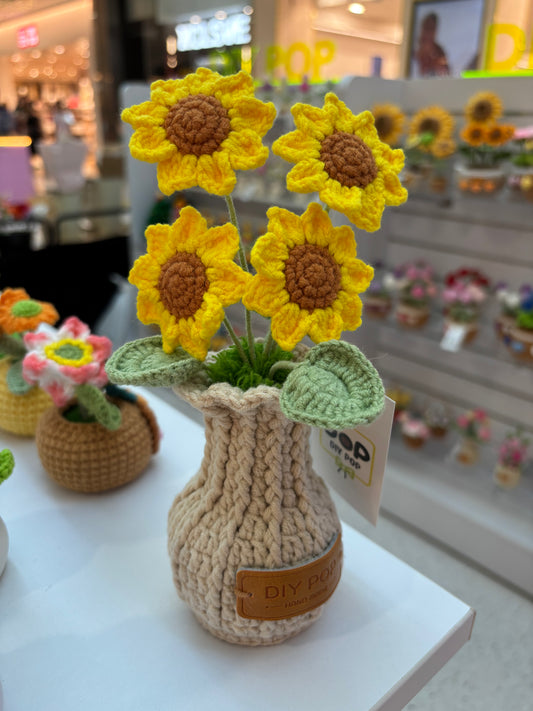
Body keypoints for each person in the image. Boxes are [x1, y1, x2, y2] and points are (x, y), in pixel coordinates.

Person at [414, 12, 450, 77]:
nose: (428, 33)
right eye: (426, 28)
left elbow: (447, 74)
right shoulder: (412, 53)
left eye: (431, 29)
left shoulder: (440, 53)